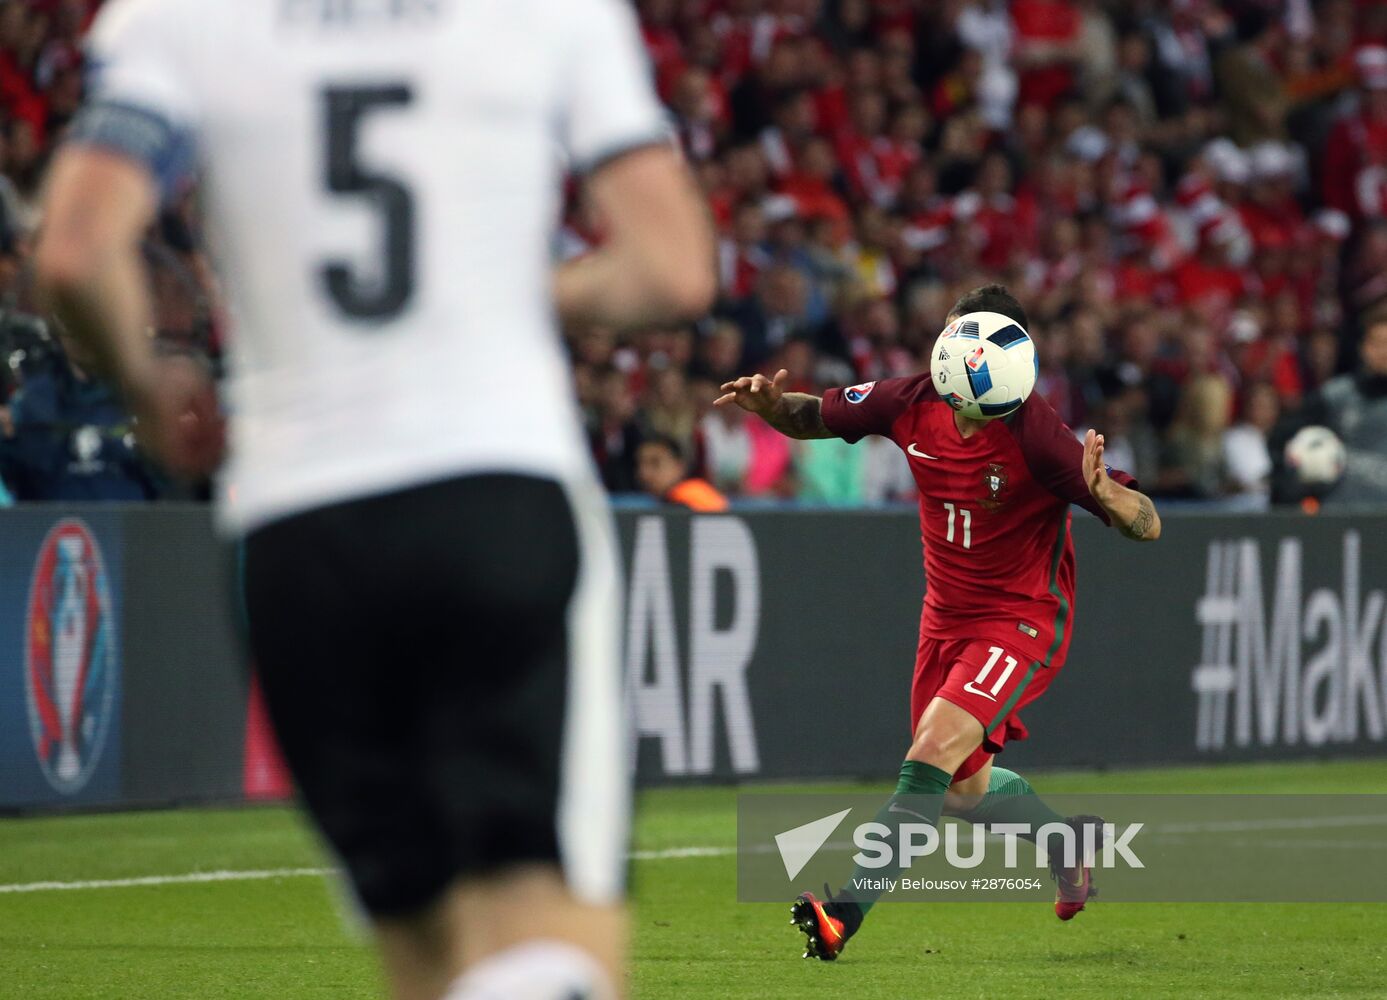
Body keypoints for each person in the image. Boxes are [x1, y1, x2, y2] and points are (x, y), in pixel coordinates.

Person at [35, 2, 715, 999]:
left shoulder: (181, 16)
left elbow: (74, 249)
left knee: (423, 957)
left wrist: (147, 380)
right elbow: (673, 267)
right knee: (550, 929)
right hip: (497, 487)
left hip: (298, 526)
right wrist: (524, 294)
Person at [716, 283, 1161, 961]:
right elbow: (815, 417)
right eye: (950, 337)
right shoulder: (911, 398)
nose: (947, 354)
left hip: (1018, 621)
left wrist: (1107, 496)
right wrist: (774, 407)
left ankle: (843, 913)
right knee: (959, 791)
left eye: (964, 341)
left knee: (926, 758)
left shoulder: (1037, 436)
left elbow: (1146, 524)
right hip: (944, 620)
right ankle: (1061, 842)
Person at [636, 433, 728, 512]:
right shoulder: (658, 502)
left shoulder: (692, 497)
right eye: (640, 464)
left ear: (679, 467)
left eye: (655, 464)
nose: (644, 473)